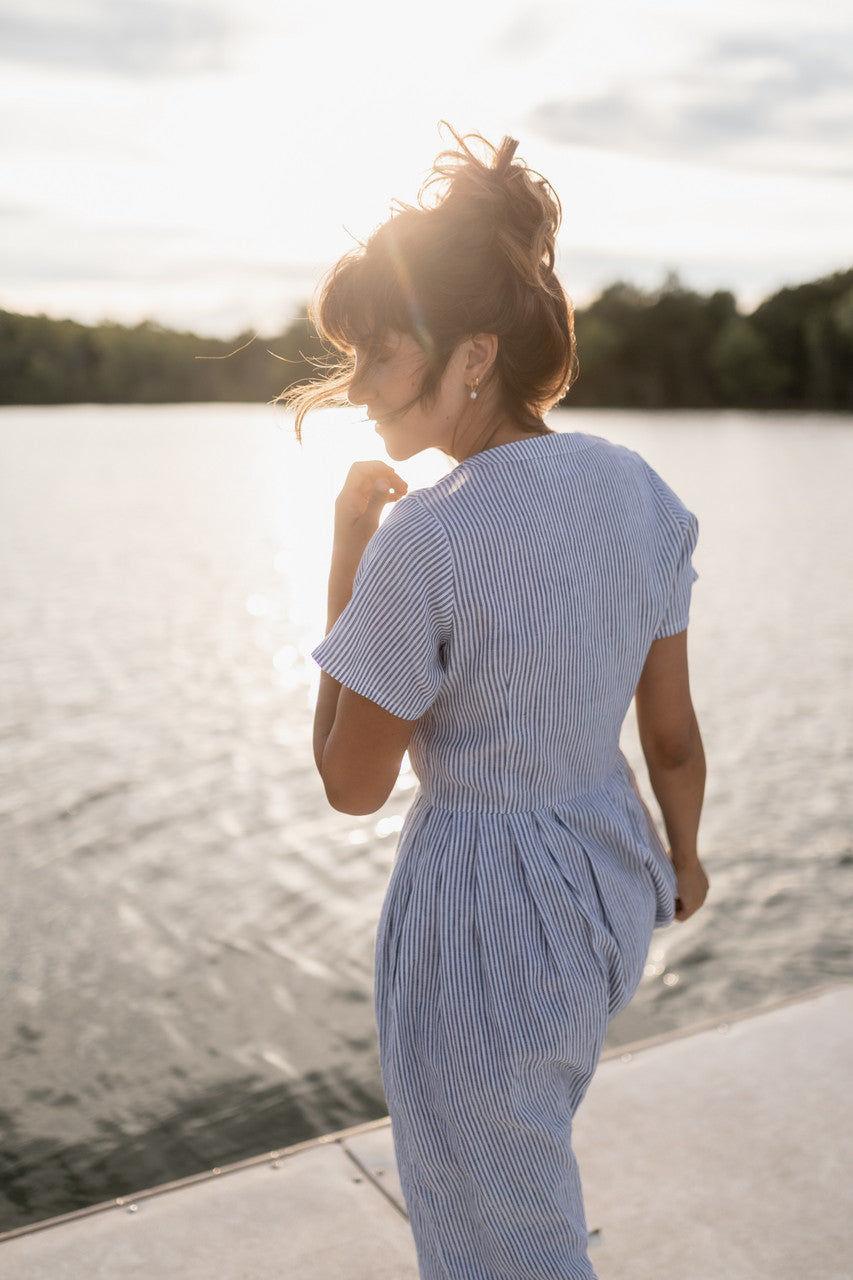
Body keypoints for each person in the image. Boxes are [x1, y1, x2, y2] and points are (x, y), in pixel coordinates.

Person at [286, 127, 709, 1280]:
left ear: (472, 356)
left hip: (481, 921)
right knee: (524, 1161)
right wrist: (685, 856)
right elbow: (667, 733)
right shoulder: (641, 494)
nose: (361, 393)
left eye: (378, 359)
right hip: (604, 887)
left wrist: (348, 555)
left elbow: (350, 782)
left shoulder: (424, 537)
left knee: (486, 1231)